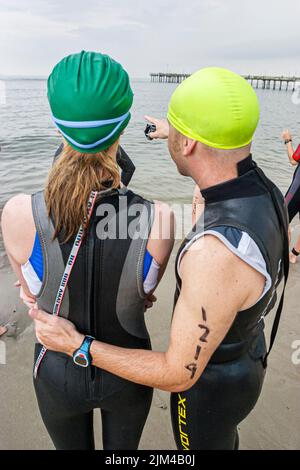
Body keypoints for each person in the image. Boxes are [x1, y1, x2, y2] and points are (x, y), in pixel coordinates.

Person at [26, 67, 289, 450]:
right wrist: (179, 134)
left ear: (190, 145)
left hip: (207, 393)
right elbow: (218, 163)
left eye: (177, 132)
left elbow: (176, 373)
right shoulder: (264, 191)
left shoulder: (215, 253)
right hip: (246, 356)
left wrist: (77, 346)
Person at [1, 51, 174, 450]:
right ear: (124, 125)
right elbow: (143, 295)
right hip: (128, 370)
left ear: (57, 123)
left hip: (55, 372)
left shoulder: (16, 213)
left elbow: (29, 294)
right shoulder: (160, 219)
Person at [282, 129, 300, 263]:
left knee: (281, 219)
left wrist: (287, 140)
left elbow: (293, 160)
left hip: (298, 190)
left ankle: (279, 254)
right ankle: (293, 255)